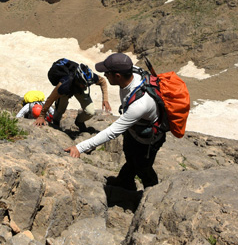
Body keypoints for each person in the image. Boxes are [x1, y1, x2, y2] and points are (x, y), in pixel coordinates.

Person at [64, 52, 166, 191]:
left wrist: (79, 148)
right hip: (134, 131)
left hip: (148, 140)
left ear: (117, 76)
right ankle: (125, 182)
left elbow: (112, 132)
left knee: (143, 167)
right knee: (131, 157)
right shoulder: (132, 74)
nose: (104, 75)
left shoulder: (140, 104)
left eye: (107, 73)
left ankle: (153, 194)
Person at [34, 59, 110, 131]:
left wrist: (105, 99)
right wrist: (41, 116)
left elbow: (102, 81)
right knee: (61, 109)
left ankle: (79, 122)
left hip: (79, 90)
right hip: (67, 90)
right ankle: (56, 122)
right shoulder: (64, 84)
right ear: (78, 80)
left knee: (90, 112)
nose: (85, 86)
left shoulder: (90, 77)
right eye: (84, 84)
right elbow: (51, 98)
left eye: (87, 84)